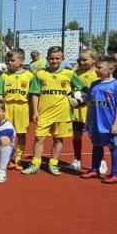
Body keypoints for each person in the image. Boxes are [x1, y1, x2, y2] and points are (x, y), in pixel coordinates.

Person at [23, 46, 86, 176]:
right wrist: (35, 111)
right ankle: (35, 164)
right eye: (52, 58)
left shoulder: (69, 74)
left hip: (62, 113)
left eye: (58, 58)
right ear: (47, 59)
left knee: (58, 140)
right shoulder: (40, 74)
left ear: (63, 59)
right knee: (39, 138)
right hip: (44, 113)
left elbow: (83, 88)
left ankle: (53, 164)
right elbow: (35, 94)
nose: (54, 61)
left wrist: (79, 100)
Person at [82, 56, 117, 184]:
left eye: (99, 67)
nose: (96, 70)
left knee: (114, 146)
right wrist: (87, 121)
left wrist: (116, 123)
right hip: (95, 122)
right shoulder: (94, 84)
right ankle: (94, 169)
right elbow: (90, 104)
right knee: (96, 145)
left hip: (109, 123)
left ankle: (115, 174)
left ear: (111, 69)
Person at [0, 48, 33, 170]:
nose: (9, 63)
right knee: (7, 134)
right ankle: (8, 158)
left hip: (23, 107)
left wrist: (32, 111)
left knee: (21, 134)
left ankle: (18, 159)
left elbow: (33, 96)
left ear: (21, 61)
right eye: (8, 60)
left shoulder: (30, 76)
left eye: (12, 60)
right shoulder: (4, 76)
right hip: (8, 107)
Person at [70, 49, 100, 171]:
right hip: (78, 110)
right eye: (80, 59)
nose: (82, 62)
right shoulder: (77, 72)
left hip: (92, 110)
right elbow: (66, 76)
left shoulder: (98, 73)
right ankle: (77, 160)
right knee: (77, 135)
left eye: (85, 60)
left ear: (94, 59)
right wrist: (76, 66)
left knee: (95, 137)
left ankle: (101, 161)